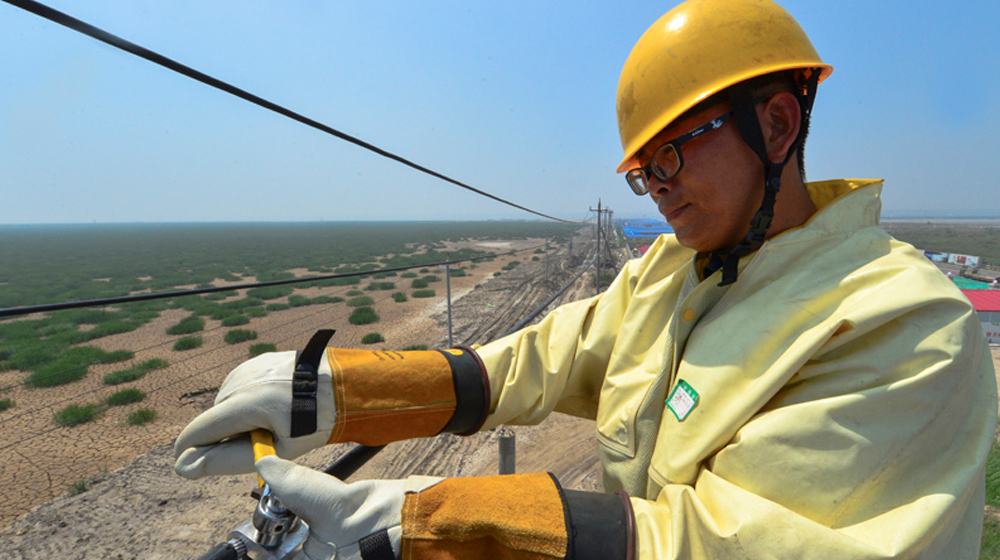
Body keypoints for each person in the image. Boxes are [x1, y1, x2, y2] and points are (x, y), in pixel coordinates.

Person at [174, 1, 998, 558]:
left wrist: (423, 525)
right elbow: (546, 358)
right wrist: (340, 392)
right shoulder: (675, 276)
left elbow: (727, 543)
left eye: (673, 152)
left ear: (777, 124)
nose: (661, 184)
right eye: (644, 171)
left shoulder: (904, 326)